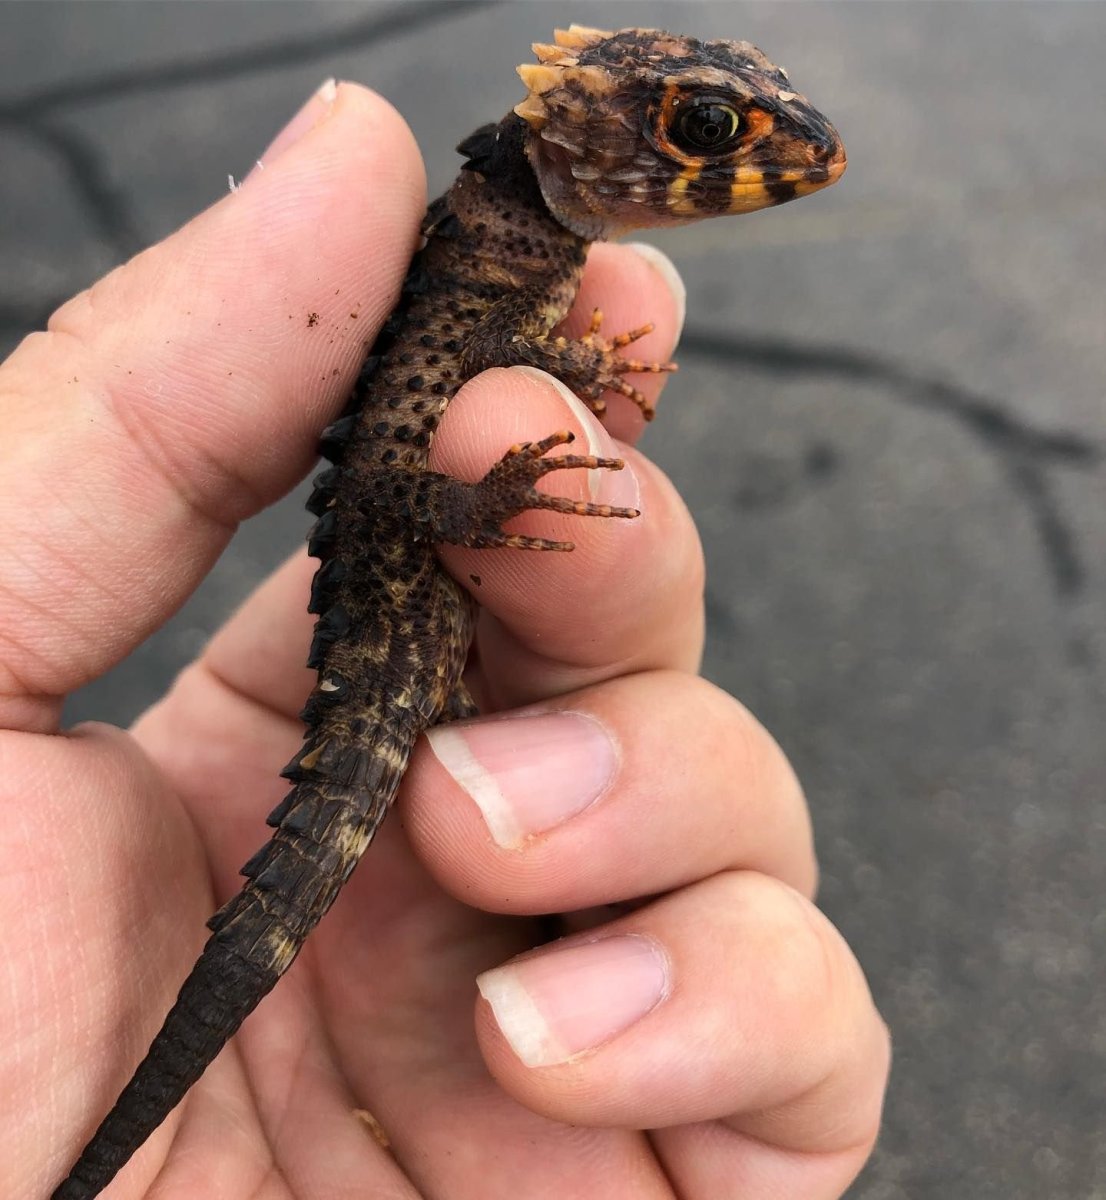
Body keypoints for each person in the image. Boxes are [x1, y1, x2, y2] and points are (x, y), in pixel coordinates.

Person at [1, 82, 889, 1199]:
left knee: (480, 807)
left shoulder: (514, 247)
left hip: (412, 601)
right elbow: (415, 431)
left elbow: (478, 359)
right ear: (579, 135)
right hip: (402, 577)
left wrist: (556, 386)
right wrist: (483, 498)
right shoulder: (492, 245)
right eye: (700, 130)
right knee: (429, 822)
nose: (754, 154)